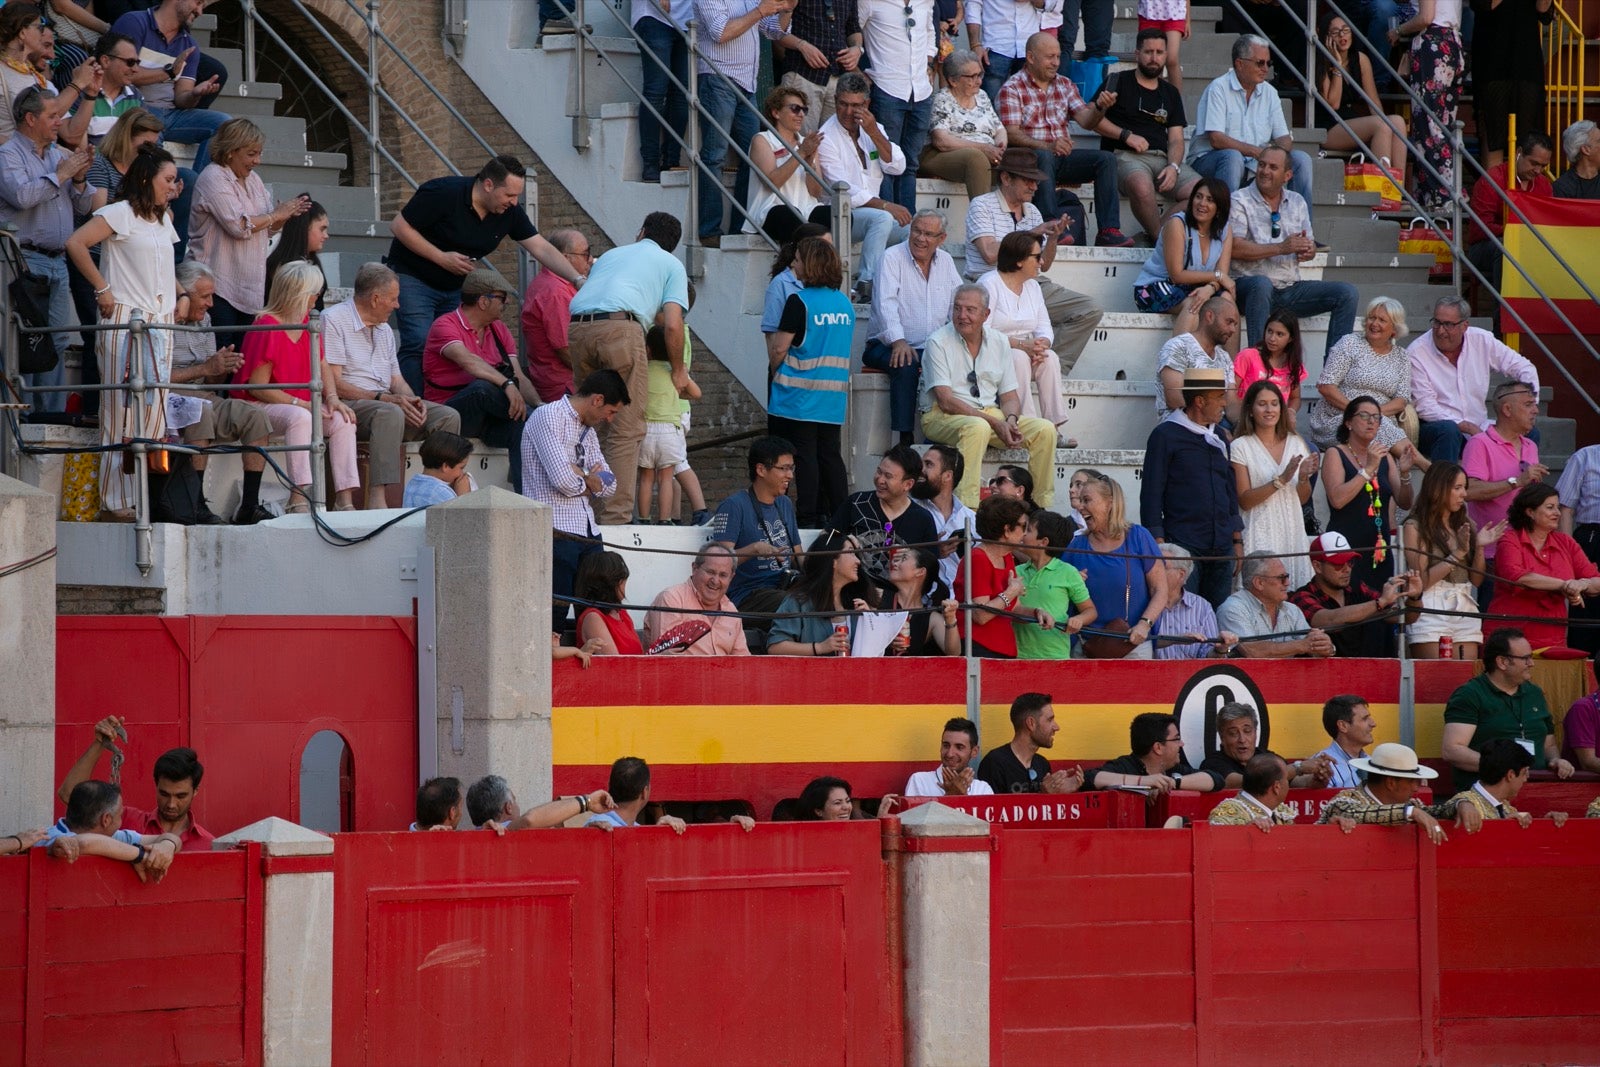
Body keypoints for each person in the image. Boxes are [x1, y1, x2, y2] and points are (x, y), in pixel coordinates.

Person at [386, 155, 584, 393]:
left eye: (517, 197)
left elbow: (540, 246)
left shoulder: (508, 212)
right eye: (509, 195)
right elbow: (399, 226)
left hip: (455, 286)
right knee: (420, 341)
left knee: (457, 347)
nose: (513, 202)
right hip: (414, 276)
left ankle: (450, 410)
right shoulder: (443, 192)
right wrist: (441, 257)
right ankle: (417, 409)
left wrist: (577, 279)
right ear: (488, 185)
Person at [64, 142, 179, 521]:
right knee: (121, 413)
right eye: (168, 179)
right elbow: (76, 243)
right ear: (147, 178)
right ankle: (115, 502)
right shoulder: (119, 213)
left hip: (161, 323)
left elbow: (165, 269)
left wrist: (182, 296)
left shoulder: (164, 218)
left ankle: (145, 497)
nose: (173, 186)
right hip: (126, 321)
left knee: (155, 416)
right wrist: (103, 289)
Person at [568, 211, 690, 523]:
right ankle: (614, 519)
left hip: (578, 328)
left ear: (641, 231)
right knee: (626, 427)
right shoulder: (671, 265)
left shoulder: (611, 255)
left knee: (589, 418)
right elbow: (673, 325)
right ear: (671, 246)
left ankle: (579, 507)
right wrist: (678, 370)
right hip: (622, 329)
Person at [324, 262, 461, 509]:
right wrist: (386, 399)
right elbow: (334, 385)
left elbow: (396, 380)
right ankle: (379, 498)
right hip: (350, 405)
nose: (398, 305)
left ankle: (436, 492)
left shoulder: (385, 329)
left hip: (384, 404)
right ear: (376, 299)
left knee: (446, 416)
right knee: (390, 412)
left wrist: (414, 402)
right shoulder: (333, 320)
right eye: (394, 299)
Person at [230, 261, 360, 512]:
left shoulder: (309, 322)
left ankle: (345, 501)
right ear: (299, 293)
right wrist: (300, 403)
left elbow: (322, 364)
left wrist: (332, 398)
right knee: (300, 417)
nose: (317, 297)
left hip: (299, 405)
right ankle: (298, 497)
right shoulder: (266, 325)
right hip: (260, 405)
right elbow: (258, 388)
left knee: (343, 420)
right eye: (314, 292)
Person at [962, 147, 1102, 375]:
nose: (1035, 187)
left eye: (1035, 181)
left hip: (1030, 284)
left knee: (1090, 309)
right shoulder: (982, 205)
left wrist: (1053, 237)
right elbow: (988, 253)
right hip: (990, 283)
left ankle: (1051, 367)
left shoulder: (1033, 210)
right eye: (1028, 181)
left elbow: (1043, 264)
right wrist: (1034, 232)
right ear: (1006, 178)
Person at [0, 86, 94, 414]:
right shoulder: (8, 154)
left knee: (57, 342)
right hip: (23, 261)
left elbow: (84, 206)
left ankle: (51, 417)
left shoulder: (56, 155)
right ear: (30, 118)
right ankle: (20, 419)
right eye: (52, 116)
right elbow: (22, 197)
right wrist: (62, 175)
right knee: (23, 342)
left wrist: (80, 179)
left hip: (58, 262)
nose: (59, 122)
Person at [919, 284, 1056, 507]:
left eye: (970, 310)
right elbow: (945, 401)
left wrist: (1010, 422)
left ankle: (1039, 507)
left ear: (986, 314)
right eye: (957, 309)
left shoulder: (999, 341)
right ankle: (967, 510)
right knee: (977, 427)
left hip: (988, 415)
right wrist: (995, 422)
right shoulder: (937, 341)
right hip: (940, 416)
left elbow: (1010, 397)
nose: (962, 316)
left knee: (1045, 430)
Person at [996, 31, 1132, 247]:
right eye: (1050, 57)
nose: (1056, 63)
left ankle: (1108, 231)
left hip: (1061, 157)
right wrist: (1049, 146)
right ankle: (1051, 225)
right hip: (1029, 160)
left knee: (1106, 159)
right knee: (1044, 156)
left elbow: (1087, 121)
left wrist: (1099, 107)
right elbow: (1011, 133)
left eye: (1058, 57)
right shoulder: (1012, 88)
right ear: (1031, 57)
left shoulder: (1065, 84)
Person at [188, 117, 312, 349]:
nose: (257, 161)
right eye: (251, 154)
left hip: (250, 290)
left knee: (242, 361)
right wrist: (275, 215)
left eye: (259, 153)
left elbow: (265, 230)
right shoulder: (213, 177)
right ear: (231, 151)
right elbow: (238, 226)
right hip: (218, 287)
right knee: (223, 356)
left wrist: (283, 217)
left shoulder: (254, 180)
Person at [521, 369, 630, 624]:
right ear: (597, 400)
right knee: (555, 612)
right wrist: (589, 478)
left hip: (588, 530)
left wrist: (579, 473)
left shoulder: (588, 431)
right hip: (556, 530)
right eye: (611, 412)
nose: (610, 419)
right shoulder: (547, 417)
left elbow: (610, 486)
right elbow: (563, 482)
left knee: (599, 610)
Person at [1229, 146, 1357, 360]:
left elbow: (1309, 243)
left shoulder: (1297, 201)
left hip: (1289, 288)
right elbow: (1234, 247)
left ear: (1287, 175)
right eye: (1261, 165)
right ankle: (1260, 367)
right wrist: (1281, 248)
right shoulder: (1239, 199)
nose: (1264, 171)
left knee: (1347, 293)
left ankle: (1334, 375)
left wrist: (1309, 250)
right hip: (1249, 287)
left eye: (1273, 167)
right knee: (1261, 284)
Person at [168, 259, 272, 524]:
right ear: (183, 294)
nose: (210, 303)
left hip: (203, 394)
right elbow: (155, 376)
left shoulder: (206, 321)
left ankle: (249, 506)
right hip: (168, 398)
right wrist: (205, 367)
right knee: (199, 411)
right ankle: (195, 503)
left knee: (254, 416)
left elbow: (211, 379)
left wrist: (224, 366)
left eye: (212, 295)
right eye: (205, 296)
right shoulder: (162, 320)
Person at [421, 269, 536, 493]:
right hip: (452, 415)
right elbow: (469, 362)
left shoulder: (499, 330)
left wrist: (541, 407)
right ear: (484, 301)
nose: (505, 305)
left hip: (490, 416)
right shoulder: (445, 325)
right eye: (502, 299)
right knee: (481, 389)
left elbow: (519, 376)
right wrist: (507, 385)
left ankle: (527, 499)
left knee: (521, 428)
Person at [692, 0, 793, 246]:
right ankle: (709, 230)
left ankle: (740, 227)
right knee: (715, 155)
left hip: (746, 85)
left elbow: (773, 30)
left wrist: (787, 8)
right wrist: (760, 10)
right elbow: (721, 32)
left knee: (751, 158)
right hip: (717, 77)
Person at [768, 236, 852, 525]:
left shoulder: (799, 301)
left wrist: (775, 370)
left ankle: (808, 516)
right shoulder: (845, 304)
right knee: (830, 456)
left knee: (805, 458)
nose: (794, 264)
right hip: (833, 398)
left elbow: (779, 348)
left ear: (812, 265)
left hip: (799, 397)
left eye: (799, 259)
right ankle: (841, 513)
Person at [1142, 367, 1242, 608]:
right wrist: (1158, 542)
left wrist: (1236, 540)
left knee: (1217, 614)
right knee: (1182, 609)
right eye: (1219, 398)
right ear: (1199, 401)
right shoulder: (1165, 435)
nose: (1223, 404)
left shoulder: (1219, 435)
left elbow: (1229, 490)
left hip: (1221, 544)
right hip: (1183, 543)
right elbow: (1152, 492)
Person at [861, 209, 962, 447]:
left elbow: (956, 303)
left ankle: (942, 433)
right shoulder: (891, 257)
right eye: (916, 230)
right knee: (906, 361)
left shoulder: (946, 262)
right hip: (884, 344)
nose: (920, 238)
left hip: (930, 347)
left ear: (942, 239)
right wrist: (898, 340)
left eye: (928, 234)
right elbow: (885, 303)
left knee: (957, 361)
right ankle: (904, 439)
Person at [1093, 29, 1201, 242]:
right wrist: (1125, 136)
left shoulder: (1170, 92)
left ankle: (1155, 236)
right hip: (1125, 156)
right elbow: (1092, 119)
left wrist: (1174, 166)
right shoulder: (1117, 81)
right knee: (1142, 187)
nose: (1154, 58)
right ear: (1137, 54)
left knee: (1204, 194)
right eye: (1148, 52)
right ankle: (1163, 244)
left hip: (1162, 158)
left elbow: (1177, 139)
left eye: (1160, 52)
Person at [1408, 294, 1540, 465]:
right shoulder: (1417, 352)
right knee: (1448, 430)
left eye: (1448, 324)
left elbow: (1524, 368)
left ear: (1465, 326)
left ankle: (1522, 488)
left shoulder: (1482, 340)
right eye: (1437, 323)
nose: (1441, 331)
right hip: (1437, 427)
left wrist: (1528, 405)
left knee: (1530, 432)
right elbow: (1426, 408)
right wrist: (1467, 427)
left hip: (1480, 425)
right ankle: (1443, 489)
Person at [1441, 627, 1574, 792]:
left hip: (1537, 790)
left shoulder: (1535, 693)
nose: (1531, 664)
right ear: (1502, 662)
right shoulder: (1469, 694)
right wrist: (1503, 767)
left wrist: (1556, 760)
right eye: (1525, 658)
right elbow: (1452, 750)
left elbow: (1548, 745)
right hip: (1485, 795)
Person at [815, 72, 910, 300]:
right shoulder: (825, 136)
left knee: (913, 230)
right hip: (836, 214)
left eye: (856, 105)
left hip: (869, 214)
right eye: (843, 104)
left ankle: (897, 284)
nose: (848, 112)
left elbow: (897, 166)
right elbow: (844, 190)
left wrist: (874, 132)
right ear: (835, 100)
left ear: (866, 104)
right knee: (883, 218)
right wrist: (886, 206)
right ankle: (867, 283)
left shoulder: (872, 127)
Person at [108, 0, 231, 172]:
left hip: (172, 115)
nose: (200, 11)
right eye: (198, 3)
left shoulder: (189, 44)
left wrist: (195, 94)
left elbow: (182, 98)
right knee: (155, 161)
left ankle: (201, 184)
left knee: (225, 125)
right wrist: (168, 73)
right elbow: (122, 73)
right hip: (137, 109)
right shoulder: (134, 22)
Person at [1187, 35, 1314, 202]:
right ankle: (1226, 225)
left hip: (1254, 162)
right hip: (1210, 160)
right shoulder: (1218, 88)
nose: (1265, 69)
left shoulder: (1270, 92)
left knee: (1301, 160)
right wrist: (1257, 153)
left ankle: (1302, 226)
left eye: (1268, 64)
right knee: (1233, 157)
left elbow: (1284, 138)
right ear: (1240, 64)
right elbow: (1216, 140)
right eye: (1260, 63)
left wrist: (1273, 156)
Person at [56, 715, 212, 849]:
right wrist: (99, 744)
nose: (171, 804)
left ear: (196, 791)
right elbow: (69, 795)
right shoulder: (124, 819)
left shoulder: (207, 843)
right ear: (156, 785)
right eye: (164, 794)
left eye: (181, 796)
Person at [1064, 472, 1168, 657]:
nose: (1080, 507)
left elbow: (1160, 589)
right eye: (1080, 501)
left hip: (1133, 645)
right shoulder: (1077, 545)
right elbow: (1057, 589)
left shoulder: (1138, 536)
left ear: (1110, 503)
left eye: (1087, 500)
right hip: (1087, 647)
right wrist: (1069, 583)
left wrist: (1144, 624)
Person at [980, 231, 1070, 443]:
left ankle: (1053, 428)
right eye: (1037, 257)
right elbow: (982, 330)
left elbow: (1044, 326)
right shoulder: (989, 284)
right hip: (992, 351)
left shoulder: (1032, 286)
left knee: (1050, 358)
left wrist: (1041, 346)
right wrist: (1022, 345)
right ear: (1019, 261)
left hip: (1028, 349)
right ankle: (1027, 427)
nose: (1042, 262)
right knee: (1017, 358)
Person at [1461, 380, 1543, 611]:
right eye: (1528, 404)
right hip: (1492, 552)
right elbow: (1469, 490)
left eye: (1535, 404)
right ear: (1507, 409)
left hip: (1527, 550)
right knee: (1497, 623)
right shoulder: (1480, 444)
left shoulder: (1530, 446)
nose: (1535, 410)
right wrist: (1517, 481)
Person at [1323, 395, 1416, 591]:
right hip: (1346, 549)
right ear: (1348, 422)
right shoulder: (1335, 453)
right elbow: (1337, 500)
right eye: (1364, 416)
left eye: (1376, 417)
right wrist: (1367, 470)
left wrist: (1406, 474)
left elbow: (1405, 502)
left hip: (1378, 548)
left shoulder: (1386, 457)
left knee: (1382, 609)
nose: (1372, 421)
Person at [1403, 461, 1494, 659]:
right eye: (1458, 488)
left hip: (1465, 601)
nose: (1464, 494)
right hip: (1429, 605)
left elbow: (1476, 580)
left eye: (1465, 488)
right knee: (1434, 675)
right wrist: (1457, 554)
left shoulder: (1464, 523)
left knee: (1464, 674)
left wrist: (1479, 546)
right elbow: (1423, 581)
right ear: (1438, 489)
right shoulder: (1415, 525)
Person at [1232, 380, 1317, 589]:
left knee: (1295, 595)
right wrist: (1280, 480)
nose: (1269, 409)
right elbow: (1244, 500)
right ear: (1250, 410)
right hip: (1258, 530)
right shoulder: (1240, 446)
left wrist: (1304, 478)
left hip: (1292, 531)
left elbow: (1302, 499)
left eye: (1274, 403)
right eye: (1262, 404)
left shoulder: (1296, 442)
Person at [1494, 484, 1600, 652]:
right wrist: (1566, 585)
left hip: (1553, 636)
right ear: (1530, 512)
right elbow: (1517, 577)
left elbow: (1597, 581)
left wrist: (1582, 584)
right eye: (1550, 507)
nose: (1557, 513)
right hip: (1510, 636)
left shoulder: (1565, 542)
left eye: (1558, 507)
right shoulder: (1510, 539)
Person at [1465, 132, 1554, 328]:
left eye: (1543, 166)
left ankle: (1545, 321)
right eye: (1534, 163)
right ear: (1519, 153)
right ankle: (1503, 324)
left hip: (1526, 246)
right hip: (1486, 247)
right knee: (1507, 248)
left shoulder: (1544, 186)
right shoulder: (1492, 179)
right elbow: (1481, 228)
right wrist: (1516, 232)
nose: (1538, 170)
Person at [1307, 297, 1413, 453]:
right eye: (1372, 317)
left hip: (1381, 421)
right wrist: (1359, 413)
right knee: (1376, 427)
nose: (1374, 324)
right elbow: (1326, 386)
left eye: (1382, 320)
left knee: (1378, 428)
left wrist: (1372, 415)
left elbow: (1401, 400)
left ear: (1394, 329)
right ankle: (1426, 467)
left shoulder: (1402, 356)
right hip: (1341, 419)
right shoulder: (1350, 343)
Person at [1291, 531, 1422, 657]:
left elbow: (1405, 618)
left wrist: (1414, 597)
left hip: (1370, 672)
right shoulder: (1302, 596)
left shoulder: (1358, 588)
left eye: (1350, 562)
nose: (1347, 569)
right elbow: (1328, 620)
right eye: (1338, 564)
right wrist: (1380, 603)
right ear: (1317, 566)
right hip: (1327, 676)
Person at [857, 0, 935, 211]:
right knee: (886, 161)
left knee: (910, 164)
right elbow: (854, 31)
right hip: (886, 87)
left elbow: (929, 31)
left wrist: (928, 62)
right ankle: (889, 222)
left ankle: (907, 226)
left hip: (921, 91)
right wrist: (858, 69)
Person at [828, 444, 938, 589]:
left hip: (898, 600)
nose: (880, 480)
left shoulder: (923, 519)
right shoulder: (857, 502)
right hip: (853, 592)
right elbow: (828, 538)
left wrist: (909, 557)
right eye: (879, 472)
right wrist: (845, 543)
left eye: (888, 476)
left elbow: (930, 569)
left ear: (908, 484)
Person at [712, 435, 804, 609]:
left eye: (792, 468)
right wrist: (754, 549)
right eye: (784, 468)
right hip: (748, 594)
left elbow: (798, 557)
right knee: (794, 604)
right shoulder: (733, 506)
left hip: (785, 588)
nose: (790, 475)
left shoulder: (784, 503)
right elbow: (718, 562)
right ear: (761, 470)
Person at [1314, 13, 1409, 178]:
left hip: (1351, 122)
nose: (1342, 36)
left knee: (1397, 122)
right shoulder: (1321, 60)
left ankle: (1396, 189)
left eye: (1345, 30)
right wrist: (1336, 65)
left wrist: (1387, 125)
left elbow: (1373, 102)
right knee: (1381, 126)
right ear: (1326, 38)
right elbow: (1333, 104)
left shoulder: (1360, 59)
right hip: (1328, 128)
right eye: (1335, 32)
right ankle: (1382, 191)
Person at [1391, 0, 1464, 214]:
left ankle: (1438, 194)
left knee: (1428, 125)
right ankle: (1446, 191)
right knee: (1444, 124)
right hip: (1452, 43)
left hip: (1432, 45)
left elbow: (1426, 17)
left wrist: (1398, 30)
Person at [1314, 742, 1464, 842]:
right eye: (1412, 781)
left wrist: (1461, 804)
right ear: (1391, 783)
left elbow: (1437, 812)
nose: (1416, 788)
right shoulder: (1344, 801)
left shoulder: (1410, 805)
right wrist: (1412, 812)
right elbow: (1357, 813)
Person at [960, 494, 1052, 657]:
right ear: (1007, 530)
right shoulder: (978, 558)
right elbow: (980, 615)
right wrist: (1011, 592)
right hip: (978, 648)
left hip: (1002, 648)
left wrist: (1036, 613)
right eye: (1023, 527)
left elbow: (1013, 608)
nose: (1025, 533)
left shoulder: (1006, 556)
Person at [40, 780, 182, 882]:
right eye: (120, 815)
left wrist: (168, 845)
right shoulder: (48, 838)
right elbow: (83, 843)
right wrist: (140, 855)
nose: (121, 821)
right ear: (106, 820)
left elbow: (171, 837)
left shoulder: (112, 836)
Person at [767, 530, 880, 656]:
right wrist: (820, 647)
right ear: (833, 561)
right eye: (850, 552)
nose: (857, 561)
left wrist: (871, 622)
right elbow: (775, 647)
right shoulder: (798, 601)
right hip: (814, 674)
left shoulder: (861, 600)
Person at [1132, 178, 1232, 315]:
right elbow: (1177, 275)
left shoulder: (1224, 230)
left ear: (1219, 208)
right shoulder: (1177, 224)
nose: (1202, 203)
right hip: (1155, 287)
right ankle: (1182, 338)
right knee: (1194, 304)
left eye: (1210, 200)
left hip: (1193, 287)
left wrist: (1210, 288)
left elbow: (1222, 273)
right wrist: (1217, 277)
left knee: (1226, 301)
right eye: (1198, 197)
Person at [746, 85, 829, 241]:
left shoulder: (806, 142)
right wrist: (802, 153)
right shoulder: (762, 139)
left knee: (835, 216)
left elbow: (816, 192)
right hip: (771, 208)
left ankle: (827, 265)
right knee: (789, 216)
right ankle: (791, 263)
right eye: (794, 109)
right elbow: (772, 182)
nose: (801, 115)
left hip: (806, 208)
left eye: (804, 110)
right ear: (776, 112)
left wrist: (809, 162)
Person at [519, 228, 593, 404]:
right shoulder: (556, 292)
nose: (590, 259)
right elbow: (565, 348)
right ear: (565, 258)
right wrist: (595, 375)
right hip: (564, 386)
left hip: (556, 381)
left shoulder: (551, 283)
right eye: (585, 253)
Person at [1217, 551, 1336, 657]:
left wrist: (1325, 646)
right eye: (1282, 578)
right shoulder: (1233, 608)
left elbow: (1312, 646)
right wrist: (1302, 645)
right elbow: (1252, 651)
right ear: (1259, 583)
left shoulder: (1292, 610)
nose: (1288, 583)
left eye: (1287, 577)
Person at [921, 51, 1006, 198]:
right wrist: (984, 149)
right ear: (953, 81)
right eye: (972, 77)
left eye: (979, 75)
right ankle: (981, 217)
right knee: (976, 158)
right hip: (942, 155)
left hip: (987, 154)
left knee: (1022, 160)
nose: (979, 81)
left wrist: (999, 147)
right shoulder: (942, 99)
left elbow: (999, 129)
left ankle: (1015, 218)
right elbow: (941, 141)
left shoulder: (982, 96)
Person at [1015, 508, 1096, 659]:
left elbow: (1090, 611)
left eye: (1029, 530)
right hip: (1017, 655)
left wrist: (1079, 619)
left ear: (1043, 542)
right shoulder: (1015, 572)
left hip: (1055, 656)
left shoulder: (1068, 572)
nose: (1023, 534)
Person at [772, 0, 861, 137]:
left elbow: (853, 27)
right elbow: (775, 31)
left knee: (831, 143)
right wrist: (802, 46)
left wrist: (857, 49)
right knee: (798, 139)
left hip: (836, 77)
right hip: (802, 75)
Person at [643, 544, 751, 655]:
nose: (715, 581)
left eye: (723, 575)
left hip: (724, 672)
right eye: (710, 572)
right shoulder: (672, 599)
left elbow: (743, 661)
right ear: (694, 568)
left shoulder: (731, 610)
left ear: (731, 578)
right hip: (683, 671)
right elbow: (668, 658)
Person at [1082, 712, 1222, 792]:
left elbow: (1216, 779)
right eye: (1177, 739)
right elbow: (1088, 779)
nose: (1182, 744)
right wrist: (1145, 782)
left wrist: (1172, 782)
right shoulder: (1124, 766)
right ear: (1158, 748)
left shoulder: (1173, 769)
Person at [976, 692, 1085, 794]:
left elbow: (1046, 812)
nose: (1056, 727)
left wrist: (1059, 794)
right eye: (1049, 720)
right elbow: (991, 811)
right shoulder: (995, 763)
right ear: (1031, 723)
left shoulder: (1042, 764)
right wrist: (1042, 794)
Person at [632, 0, 691, 184]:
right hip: (653, 15)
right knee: (656, 91)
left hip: (690, 20)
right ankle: (650, 163)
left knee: (682, 95)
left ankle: (671, 161)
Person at [1154, 294, 1238, 421]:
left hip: (1216, 425)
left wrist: (1247, 424)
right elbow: (1174, 398)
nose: (1232, 330)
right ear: (1209, 317)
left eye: (1235, 324)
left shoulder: (1224, 358)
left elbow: (1230, 402)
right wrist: (1212, 428)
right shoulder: (1178, 347)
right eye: (1229, 322)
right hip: (1181, 426)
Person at [1448, 738, 1564, 828]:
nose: (1525, 779)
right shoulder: (1465, 801)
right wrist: (1461, 804)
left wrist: (1546, 823)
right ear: (1511, 775)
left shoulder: (1508, 809)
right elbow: (1439, 809)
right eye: (1524, 773)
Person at [761, 221, 830, 369]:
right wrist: (777, 372)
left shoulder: (829, 285)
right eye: (824, 246)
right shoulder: (781, 284)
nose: (829, 252)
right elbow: (772, 335)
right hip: (789, 373)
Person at [1153, 542, 1240, 658]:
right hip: (1147, 673)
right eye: (1152, 566)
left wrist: (1220, 649)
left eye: (1162, 567)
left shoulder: (1201, 607)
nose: (1154, 571)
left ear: (1181, 575)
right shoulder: (1140, 602)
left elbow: (1209, 655)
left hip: (1192, 674)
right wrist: (1175, 640)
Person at [912, 444, 976, 594]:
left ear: (947, 476)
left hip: (964, 603)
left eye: (928, 465)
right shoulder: (911, 511)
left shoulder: (971, 518)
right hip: (925, 601)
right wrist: (933, 552)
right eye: (922, 464)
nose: (921, 470)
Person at [1556, 443, 1600, 658]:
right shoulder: (1585, 457)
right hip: (1593, 537)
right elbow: (1564, 507)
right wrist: (1566, 551)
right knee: (1586, 612)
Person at [1232, 309, 1304, 430]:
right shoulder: (1248, 356)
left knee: (1309, 447)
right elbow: (1231, 390)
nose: (1272, 338)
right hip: (1246, 421)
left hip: (1275, 425)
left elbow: (1295, 398)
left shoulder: (1293, 365)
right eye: (1269, 331)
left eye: (1279, 334)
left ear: (1291, 338)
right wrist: (1241, 417)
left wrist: (1290, 412)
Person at [465, 774, 618, 831]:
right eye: (515, 800)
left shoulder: (470, 838)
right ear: (509, 807)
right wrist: (587, 802)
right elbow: (528, 820)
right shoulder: (503, 831)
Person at [883, 544, 962, 655]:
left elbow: (954, 653)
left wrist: (950, 619)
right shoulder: (879, 597)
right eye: (896, 560)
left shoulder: (930, 618)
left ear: (920, 572)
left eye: (903, 559)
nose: (894, 563)